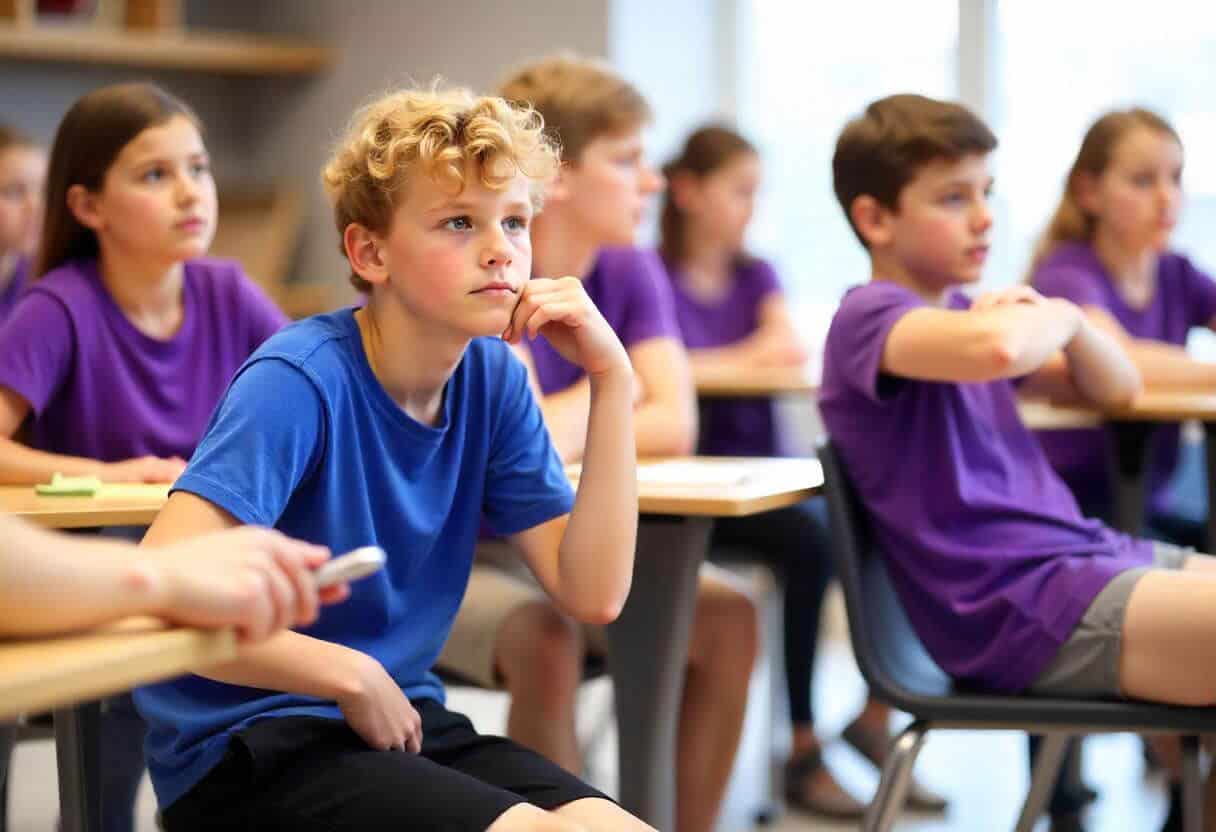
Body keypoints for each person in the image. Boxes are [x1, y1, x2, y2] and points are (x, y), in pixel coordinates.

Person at [132, 84, 653, 832]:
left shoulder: (493, 378)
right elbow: (161, 596)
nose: (501, 248)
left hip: (397, 720)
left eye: (514, 220)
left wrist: (612, 378)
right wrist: (343, 671)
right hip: (253, 747)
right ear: (369, 252)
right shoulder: (298, 379)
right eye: (459, 222)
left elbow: (592, 593)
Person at [438, 57, 759, 832]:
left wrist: (586, 401)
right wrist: (612, 383)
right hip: (468, 554)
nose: (652, 182)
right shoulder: (493, 272)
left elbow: (674, 421)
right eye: (627, 160)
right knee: (546, 637)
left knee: (728, 617)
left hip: (569, 541)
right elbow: (529, 442)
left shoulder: (630, 269)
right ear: (557, 175)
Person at [656, 123, 945, 817]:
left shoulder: (756, 272)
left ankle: (874, 714)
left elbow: (782, 348)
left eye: (756, 193)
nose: (750, 208)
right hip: (685, 488)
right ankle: (804, 747)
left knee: (882, 518)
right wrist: (728, 358)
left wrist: (696, 364)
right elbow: (657, 374)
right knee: (812, 543)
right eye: (739, 191)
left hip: (759, 479)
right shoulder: (652, 275)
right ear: (689, 192)